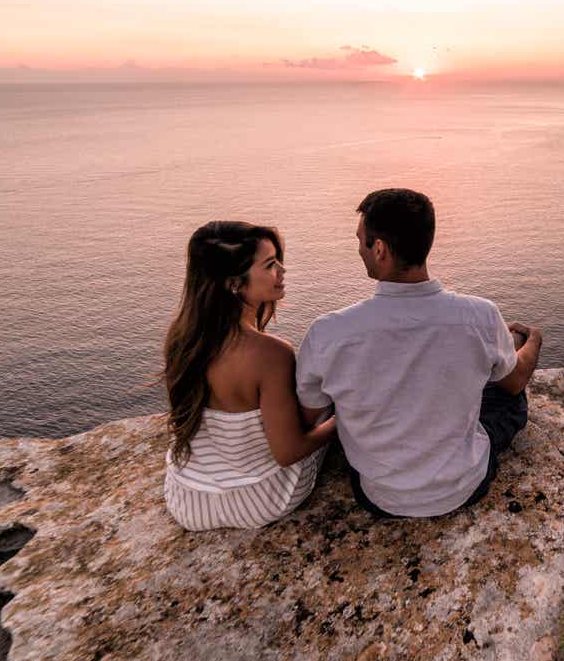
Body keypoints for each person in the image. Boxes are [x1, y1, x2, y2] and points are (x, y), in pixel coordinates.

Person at [295, 188, 544, 518]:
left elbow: (311, 415)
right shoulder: (480, 315)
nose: (358, 248)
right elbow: (514, 384)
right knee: (506, 393)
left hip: (379, 495)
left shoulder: (328, 332)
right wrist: (533, 342)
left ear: (379, 249)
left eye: (360, 240)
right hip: (465, 485)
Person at [161, 221, 337, 530]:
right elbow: (288, 452)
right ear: (233, 284)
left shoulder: (181, 340)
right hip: (259, 500)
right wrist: (344, 419)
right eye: (270, 265)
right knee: (328, 400)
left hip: (189, 499)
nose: (282, 270)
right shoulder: (271, 354)